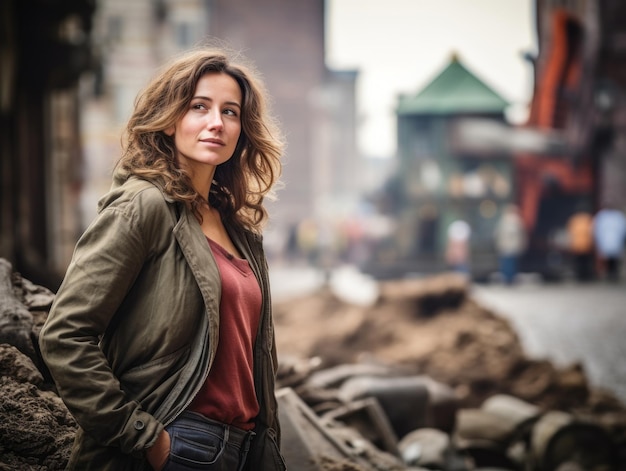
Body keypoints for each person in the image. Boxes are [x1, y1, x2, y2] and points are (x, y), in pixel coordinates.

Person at [39, 47, 286, 471]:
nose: (216, 123)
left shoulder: (238, 229)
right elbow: (65, 334)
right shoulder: (142, 207)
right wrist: (146, 440)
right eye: (199, 107)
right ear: (170, 119)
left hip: (244, 449)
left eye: (230, 112)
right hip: (178, 443)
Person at [494, 204, 527, 285]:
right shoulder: (517, 221)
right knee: (511, 264)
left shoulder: (504, 221)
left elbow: (497, 234)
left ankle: (508, 279)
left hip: (506, 247)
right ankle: (510, 279)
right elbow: (522, 235)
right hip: (512, 247)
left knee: (507, 264)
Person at [593, 202, 626, 282]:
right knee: (612, 260)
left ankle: (611, 275)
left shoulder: (602, 216)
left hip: (608, 242)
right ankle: (613, 274)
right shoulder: (617, 216)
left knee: (611, 260)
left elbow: (596, 229)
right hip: (614, 242)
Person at [566, 205, 595, 281]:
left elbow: (570, 231)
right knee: (585, 262)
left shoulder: (574, 219)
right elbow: (592, 231)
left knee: (579, 262)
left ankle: (580, 276)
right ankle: (586, 276)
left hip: (577, 245)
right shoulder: (588, 219)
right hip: (586, 244)